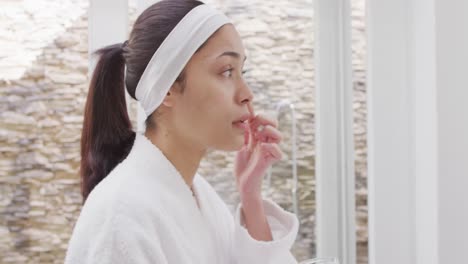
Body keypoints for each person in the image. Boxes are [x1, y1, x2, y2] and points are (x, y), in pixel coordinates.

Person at [64, 0, 299, 263]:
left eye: (242, 71)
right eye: (226, 71)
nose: (247, 94)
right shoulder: (121, 221)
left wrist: (251, 197)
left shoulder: (199, 194)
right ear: (167, 89)